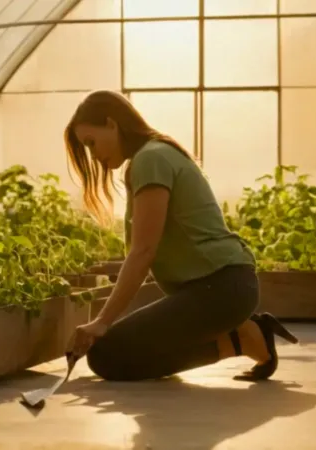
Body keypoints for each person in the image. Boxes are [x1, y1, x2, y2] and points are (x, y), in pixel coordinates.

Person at [63, 90, 298, 382]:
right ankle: (244, 334)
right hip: (221, 288)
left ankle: (240, 341)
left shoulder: (150, 159)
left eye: (91, 142)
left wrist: (102, 322)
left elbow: (143, 251)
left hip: (222, 289)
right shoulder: (152, 155)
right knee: (113, 351)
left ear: (112, 124)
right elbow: (144, 251)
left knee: (107, 355)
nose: (93, 154)